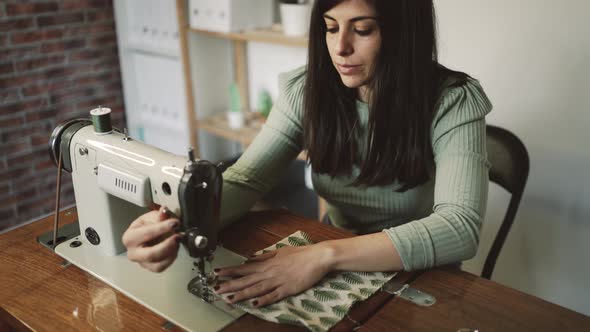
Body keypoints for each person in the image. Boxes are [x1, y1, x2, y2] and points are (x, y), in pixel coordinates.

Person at [123, 0, 491, 308]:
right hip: (334, 252)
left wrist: (324, 255)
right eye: (330, 28)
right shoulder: (307, 90)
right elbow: (248, 178)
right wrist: (178, 221)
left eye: (362, 30)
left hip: (420, 273)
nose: (340, 48)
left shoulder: (453, 101)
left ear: (403, 33)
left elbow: (459, 227)